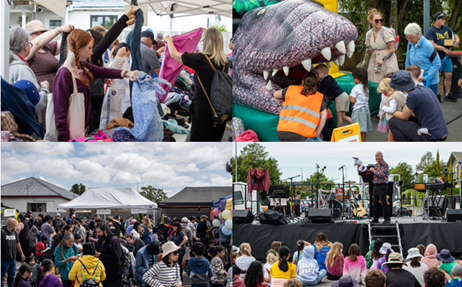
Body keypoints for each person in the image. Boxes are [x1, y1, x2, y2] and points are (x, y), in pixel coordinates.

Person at [52, 29, 139, 142]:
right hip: (70, 135)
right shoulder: (64, 75)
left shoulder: (81, 67)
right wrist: (65, 143)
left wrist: (127, 73)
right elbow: (60, 115)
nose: (91, 53)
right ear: (78, 47)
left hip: (80, 131)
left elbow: (103, 72)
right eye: (89, 48)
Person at [164, 27, 229, 142]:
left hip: (203, 110)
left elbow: (174, 54)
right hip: (220, 109)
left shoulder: (201, 59)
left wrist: (169, 40)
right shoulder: (225, 62)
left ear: (207, 42)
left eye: (202, 40)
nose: (201, 43)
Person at [388, 71, 448, 141]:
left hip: (430, 136)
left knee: (392, 121)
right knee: (411, 118)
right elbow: (419, 114)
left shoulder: (412, 95)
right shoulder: (424, 89)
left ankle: (404, 146)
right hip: (440, 133)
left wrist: (390, 110)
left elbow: (403, 116)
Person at [272, 72, 327, 142]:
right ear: (315, 86)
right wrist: (317, 133)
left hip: (283, 133)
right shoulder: (318, 97)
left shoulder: (290, 89)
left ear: (302, 81)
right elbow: (324, 115)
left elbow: (275, 94)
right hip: (303, 135)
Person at [8, 27, 49, 121]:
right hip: (23, 125)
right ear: (25, 46)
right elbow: (35, 102)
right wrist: (45, 88)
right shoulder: (22, 70)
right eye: (30, 44)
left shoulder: (5, 65)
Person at [24, 20, 74, 95]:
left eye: (43, 33)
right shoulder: (26, 51)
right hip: (41, 95)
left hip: (55, 93)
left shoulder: (47, 47)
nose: (41, 35)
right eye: (37, 33)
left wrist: (72, 33)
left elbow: (64, 43)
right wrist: (60, 29)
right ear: (28, 36)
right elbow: (37, 43)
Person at [425, 12, 460, 102]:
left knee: (449, 75)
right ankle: (436, 94)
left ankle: (447, 93)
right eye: (443, 19)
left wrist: (456, 41)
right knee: (437, 75)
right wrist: (443, 49)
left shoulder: (446, 28)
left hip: (447, 57)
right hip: (437, 57)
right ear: (437, 20)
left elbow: (455, 35)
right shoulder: (431, 31)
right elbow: (431, 44)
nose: (444, 20)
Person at [404, 23, 442, 97]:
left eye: (411, 37)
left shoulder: (428, 45)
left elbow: (437, 64)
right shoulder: (410, 44)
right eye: (407, 37)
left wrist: (425, 78)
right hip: (415, 80)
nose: (409, 40)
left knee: (429, 105)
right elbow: (408, 61)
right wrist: (407, 74)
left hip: (429, 82)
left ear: (418, 34)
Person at [365, 8, 399, 83]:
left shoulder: (385, 32)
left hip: (387, 61)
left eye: (381, 20)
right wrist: (369, 50)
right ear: (371, 20)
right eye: (376, 20)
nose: (379, 22)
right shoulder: (369, 34)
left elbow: (392, 49)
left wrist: (382, 59)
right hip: (375, 61)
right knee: (375, 82)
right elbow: (369, 47)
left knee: (388, 84)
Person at [314, 64, 352, 128]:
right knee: (343, 116)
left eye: (317, 73)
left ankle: (338, 130)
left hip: (340, 97)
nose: (316, 75)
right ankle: (356, 125)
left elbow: (322, 93)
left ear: (324, 73)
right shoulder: (330, 78)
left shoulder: (325, 81)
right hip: (344, 95)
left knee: (339, 116)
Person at [94, 223, 124, 287]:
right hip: (103, 276)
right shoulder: (100, 241)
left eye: (99, 232)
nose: (97, 234)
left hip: (114, 276)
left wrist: (101, 256)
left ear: (105, 230)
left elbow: (116, 257)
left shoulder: (114, 241)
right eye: (97, 232)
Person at [349, 67, 371, 142]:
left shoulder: (355, 88)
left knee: (357, 127)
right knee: (363, 129)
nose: (353, 79)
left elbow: (352, 100)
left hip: (358, 110)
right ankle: (363, 141)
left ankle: (357, 142)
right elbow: (367, 99)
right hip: (366, 110)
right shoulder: (366, 88)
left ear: (357, 79)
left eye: (354, 77)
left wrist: (349, 96)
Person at [2, 218, 26, 287]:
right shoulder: (2, 232)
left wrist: (22, 253)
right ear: (11, 224)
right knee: (2, 277)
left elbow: (17, 243)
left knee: (12, 276)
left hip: (13, 258)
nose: (17, 224)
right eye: (15, 223)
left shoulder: (14, 232)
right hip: (4, 259)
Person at [369, 151, 390, 224]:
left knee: (383, 202)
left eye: (378, 156)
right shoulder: (376, 165)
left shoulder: (385, 165)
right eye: (375, 156)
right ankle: (375, 218)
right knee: (374, 202)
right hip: (376, 185)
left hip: (382, 185)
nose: (376, 158)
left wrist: (373, 170)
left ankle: (387, 218)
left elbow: (381, 174)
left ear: (382, 157)